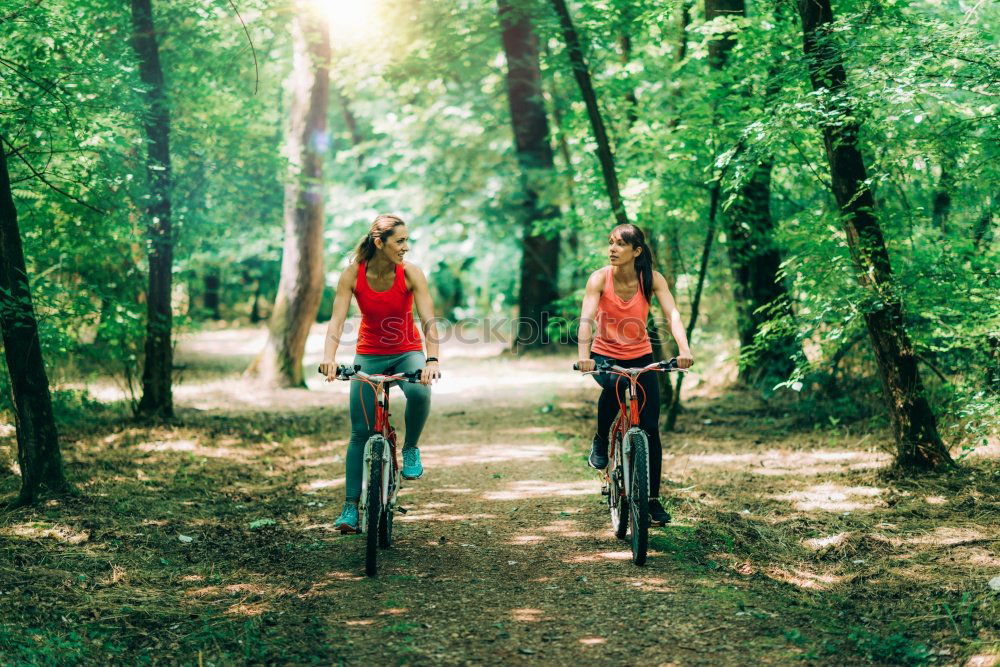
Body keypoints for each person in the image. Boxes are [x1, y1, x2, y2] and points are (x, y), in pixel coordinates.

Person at [319, 214, 442, 533]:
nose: (406, 247)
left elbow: (428, 320)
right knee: (360, 432)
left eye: (406, 241)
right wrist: (329, 358)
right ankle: (350, 508)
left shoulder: (411, 273)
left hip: (407, 351)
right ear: (379, 242)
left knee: (418, 390)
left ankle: (411, 447)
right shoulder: (352, 275)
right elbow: (336, 320)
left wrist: (432, 360)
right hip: (369, 356)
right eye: (400, 241)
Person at [575, 223, 694, 526]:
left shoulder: (651, 280)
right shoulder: (599, 279)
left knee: (651, 428)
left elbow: (673, 315)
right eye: (610, 243)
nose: (612, 249)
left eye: (619, 244)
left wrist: (684, 349)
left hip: (640, 357)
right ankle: (601, 440)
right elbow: (587, 319)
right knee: (615, 382)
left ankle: (652, 501)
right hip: (604, 356)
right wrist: (583, 357)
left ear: (636, 251)